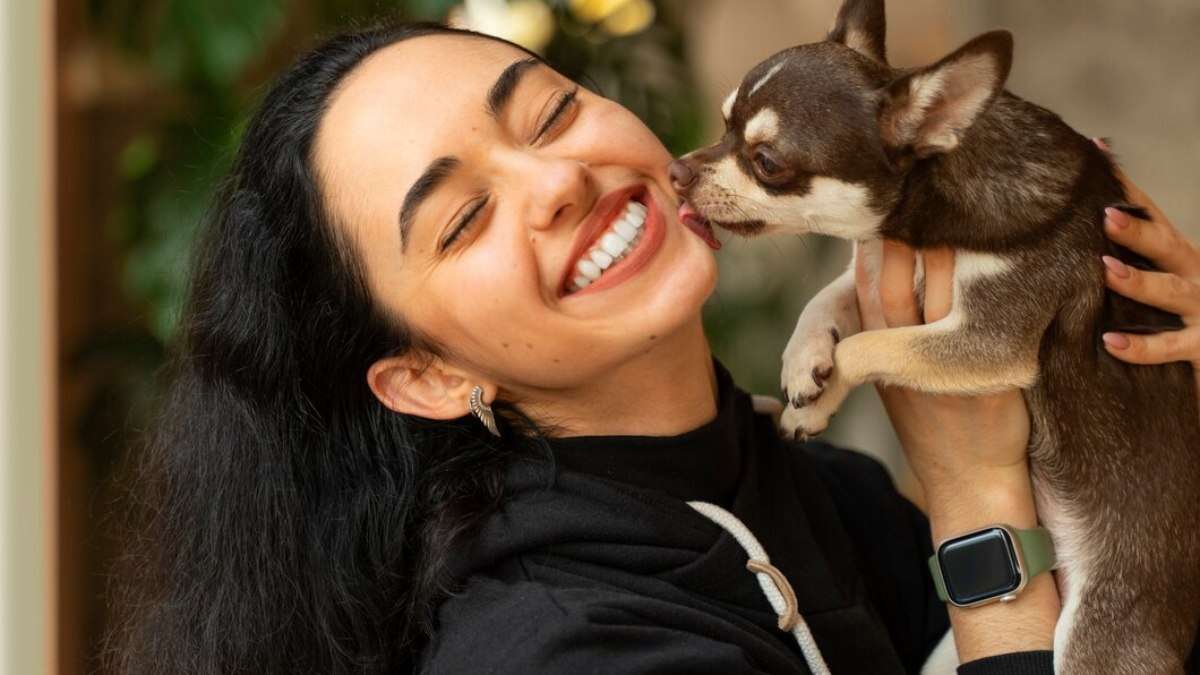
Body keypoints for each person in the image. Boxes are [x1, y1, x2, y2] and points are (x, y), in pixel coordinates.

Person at [106, 22, 1200, 675]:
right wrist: (974, 512)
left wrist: (1158, 403)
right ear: (432, 377)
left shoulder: (817, 489)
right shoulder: (554, 651)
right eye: (462, 220)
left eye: (544, 114)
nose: (558, 180)